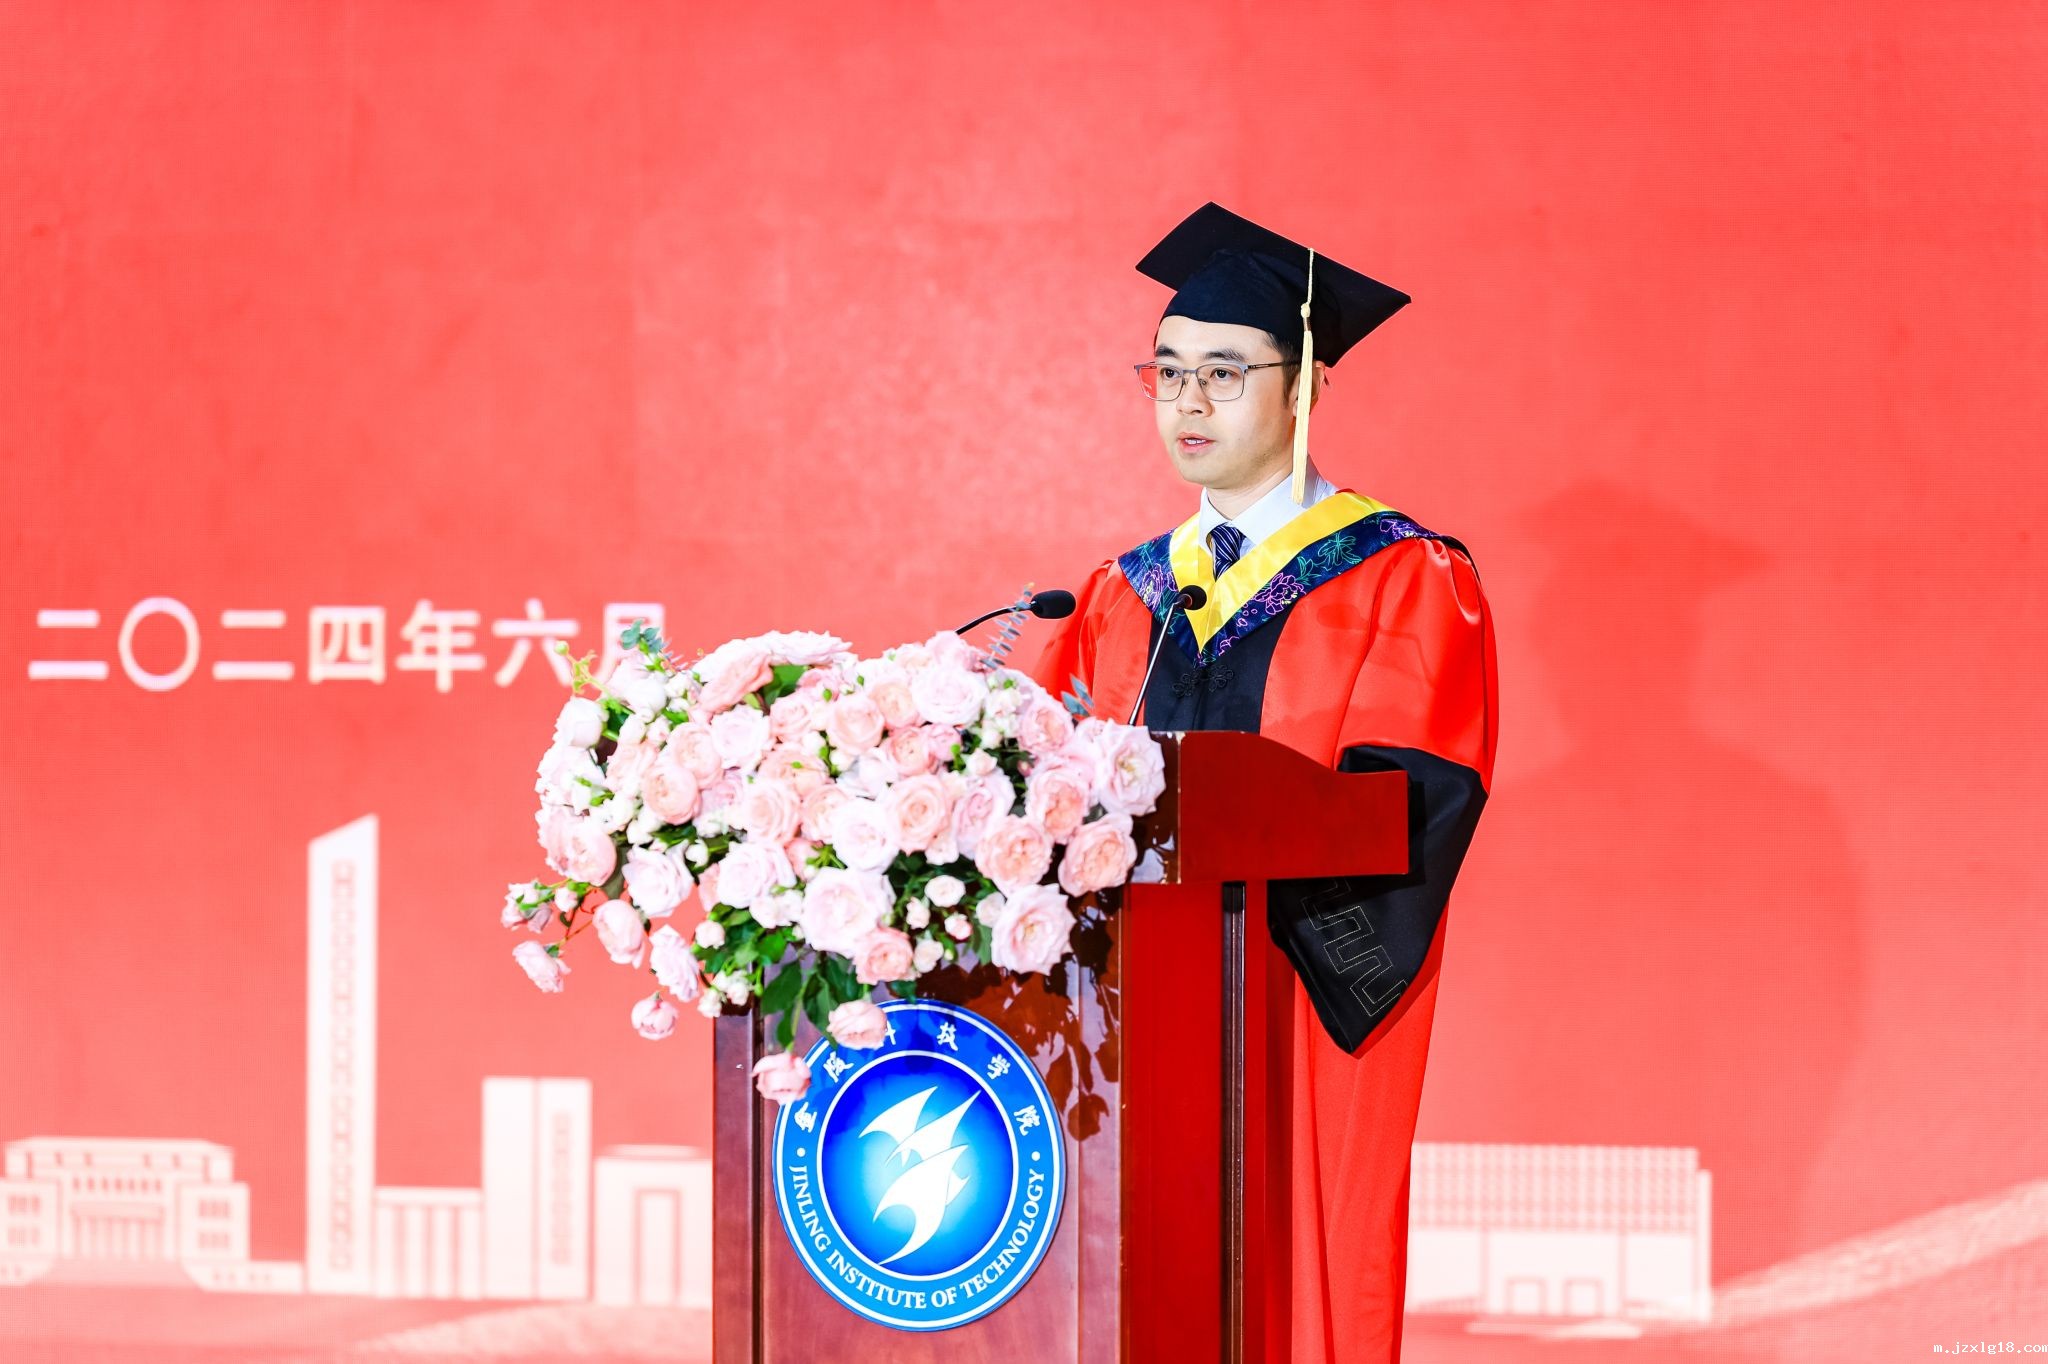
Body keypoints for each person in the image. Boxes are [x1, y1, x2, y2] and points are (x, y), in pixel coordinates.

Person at [1028, 202, 1501, 1362]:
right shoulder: (1117, 592)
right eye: (1167, 371)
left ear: (1305, 389)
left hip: (1290, 1006)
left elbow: (1410, 802)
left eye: (1224, 373)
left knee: (1282, 1281)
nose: (1186, 401)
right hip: (1121, 1015)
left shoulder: (1400, 575)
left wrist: (1248, 944)